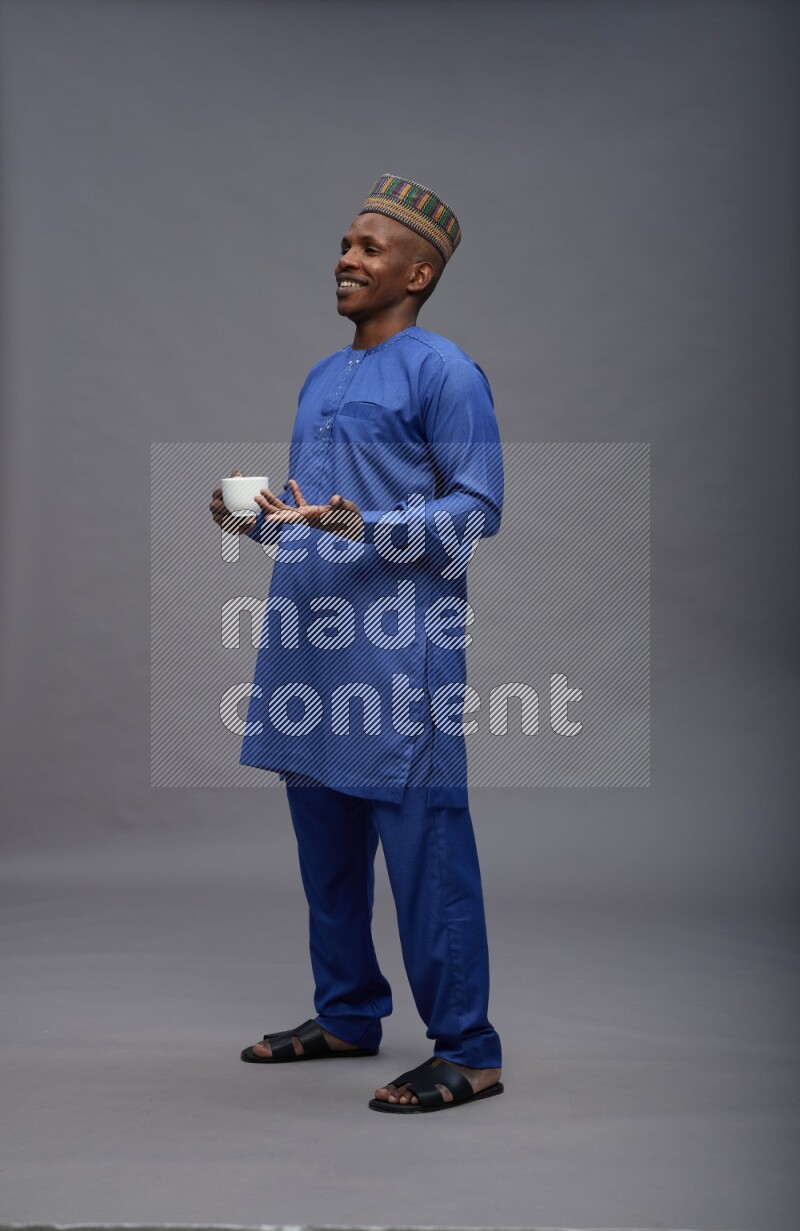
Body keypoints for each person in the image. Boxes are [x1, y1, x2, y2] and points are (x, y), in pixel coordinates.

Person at [209, 174, 504, 1113]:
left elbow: (476, 514)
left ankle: (470, 1048)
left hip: (396, 653)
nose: (346, 258)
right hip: (308, 646)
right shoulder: (320, 376)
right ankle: (346, 1014)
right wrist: (250, 520)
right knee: (325, 848)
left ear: (418, 272)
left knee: (426, 852)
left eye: (369, 249)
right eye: (345, 243)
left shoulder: (444, 370)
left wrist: (367, 524)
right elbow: (315, 519)